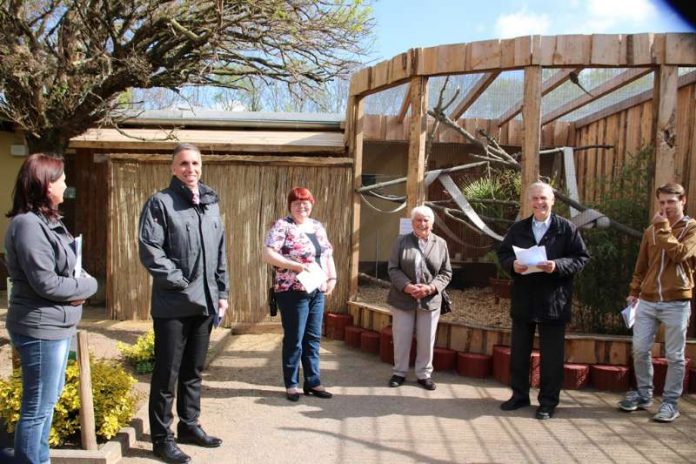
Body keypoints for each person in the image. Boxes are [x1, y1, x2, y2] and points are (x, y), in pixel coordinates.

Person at [4, 153, 98, 464]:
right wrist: (88, 287)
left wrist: (82, 285)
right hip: (40, 328)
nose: (67, 184)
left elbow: (72, 272)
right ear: (46, 186)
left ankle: (37, 458)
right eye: (62, 179)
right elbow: (46, 282)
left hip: (57, 326)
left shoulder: (50, 222)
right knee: (38, 408)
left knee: (47, 403)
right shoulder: (28, 226)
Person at [139, 143, 229, 464]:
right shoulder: (160, 204)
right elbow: (151, 251)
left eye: (195, 163)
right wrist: (182, 282)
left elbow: (220, 252)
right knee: (167, 374)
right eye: (184, 164)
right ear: (173, 168)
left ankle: (190, 425)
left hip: (205, 304)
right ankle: (162, 438)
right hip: (174, 305)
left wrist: (222, 293)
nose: (191, 169)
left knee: (194, 370)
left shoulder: (210, 203)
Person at [497, 181, 589, 420]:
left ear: (552, 201)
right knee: (519, 353)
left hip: (553, 302)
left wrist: (557, 266)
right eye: (535, 198)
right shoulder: (518, 228)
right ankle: (519, 396)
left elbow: (581, 257)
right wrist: (512, 265)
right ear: (529, 202)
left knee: (551, 357)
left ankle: (548, 402)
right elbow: (504, 253)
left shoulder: (567, 229)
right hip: (524, 299)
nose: (539, 203)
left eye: (544, 198)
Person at [618, 183, 696, 422]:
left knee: (674, 355)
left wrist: (662, 228)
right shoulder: (650, 231)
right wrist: (634, 291)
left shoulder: (691, 228)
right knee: (640, 349)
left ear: (683, 201)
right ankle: (644, 394)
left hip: (677, 301)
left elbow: (681, 253)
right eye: (662, 202)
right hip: (648, 300)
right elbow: (641, 265)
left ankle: (671, 403)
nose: (666, 207)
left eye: (671, 202)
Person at [263, 187, 337, 402]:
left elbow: (327, 254)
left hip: (316, 289)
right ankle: (292, 384)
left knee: (313, 338)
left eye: (306, 202)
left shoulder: (317, 226)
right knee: (295, 338)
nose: (302, 206)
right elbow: (268, 253)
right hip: (292, 290)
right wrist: (292, 265)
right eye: (297, 203)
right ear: (290, 206)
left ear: (312, 204)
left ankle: (313, 382)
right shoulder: (283, 226)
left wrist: (332, 278)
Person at [386, 205, 452, 390]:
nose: (422, 224)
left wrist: (430, 288)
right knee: (401, 337)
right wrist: (407, 287)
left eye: (426, 220)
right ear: (412, 222)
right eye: (418, 220)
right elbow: (393, 268)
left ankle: (424, 374)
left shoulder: (441, 243)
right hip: (402, 297)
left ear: (432, 223)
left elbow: (446, 273)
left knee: (426, 339)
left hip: (430, 299)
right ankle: (399, 372)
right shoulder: (401, 241)